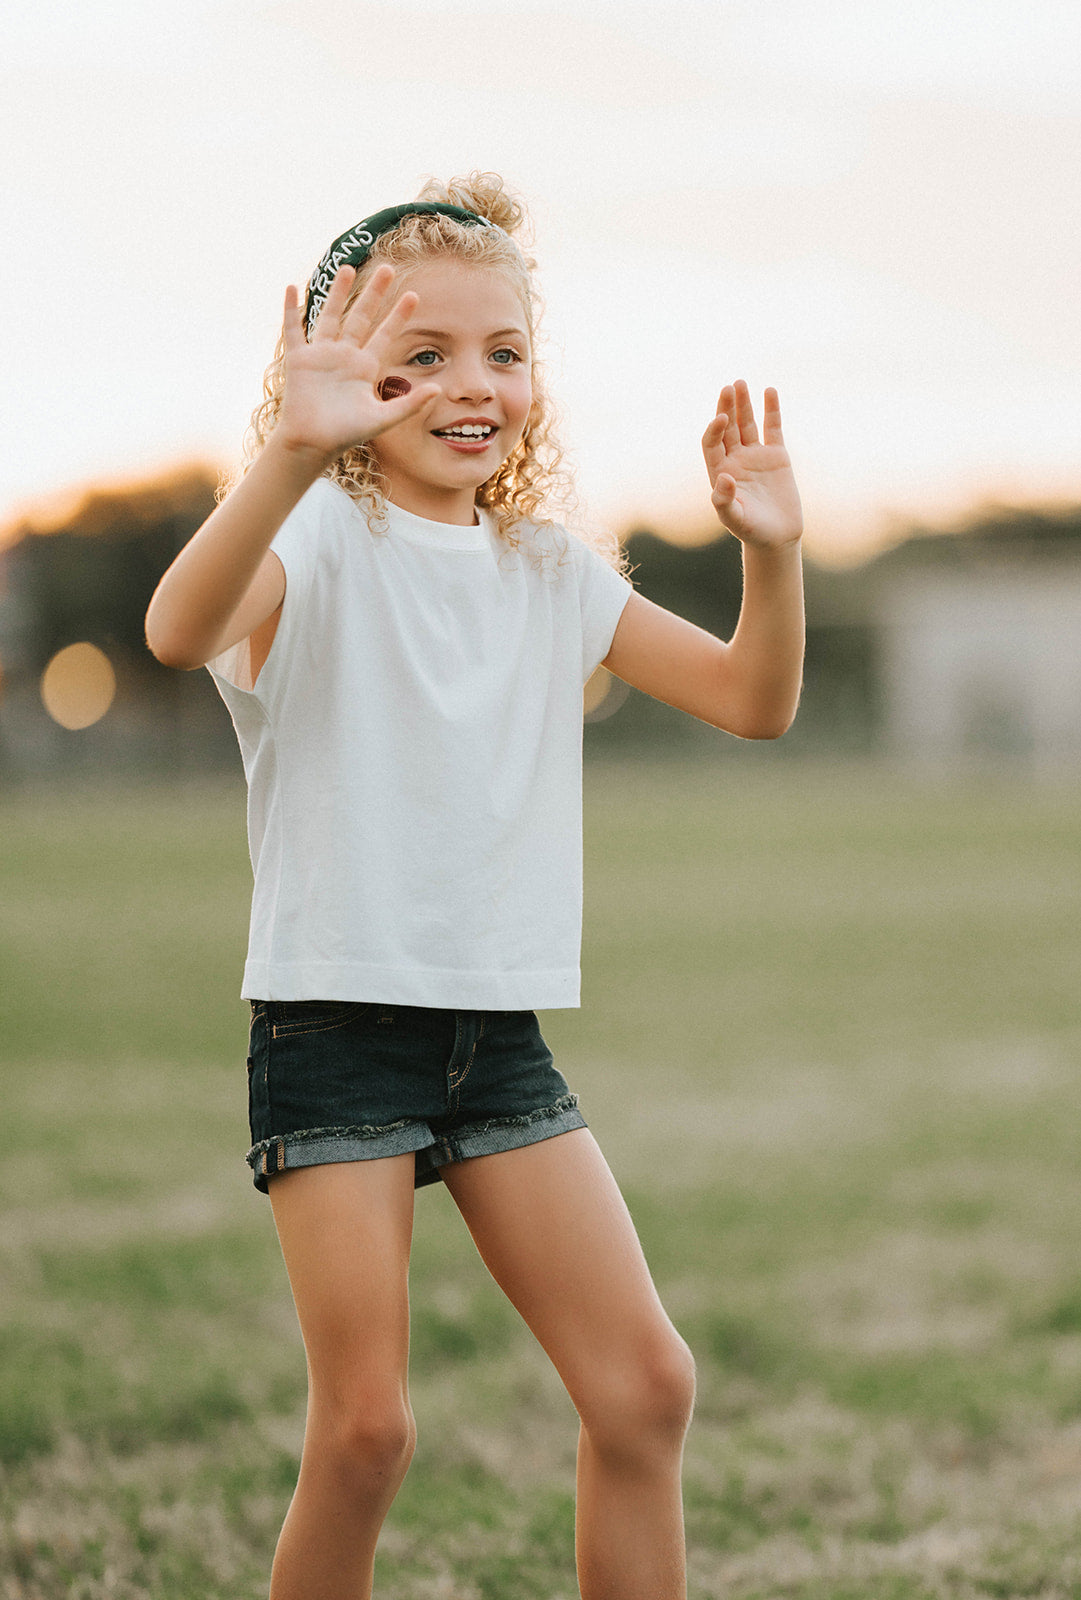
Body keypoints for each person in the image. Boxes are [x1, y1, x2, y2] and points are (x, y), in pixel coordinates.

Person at [145, 172, 805, 1600]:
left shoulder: (547, 573)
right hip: (334, 1031)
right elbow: (174, 623)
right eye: (421, 353)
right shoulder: (308, 541)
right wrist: (284, 464)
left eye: (502, 352)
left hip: (495, 1040)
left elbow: (754, 699)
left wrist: (771, 553)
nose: (473, 385)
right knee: (368, 1430)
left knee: (643, 1388)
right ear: (330, 374)